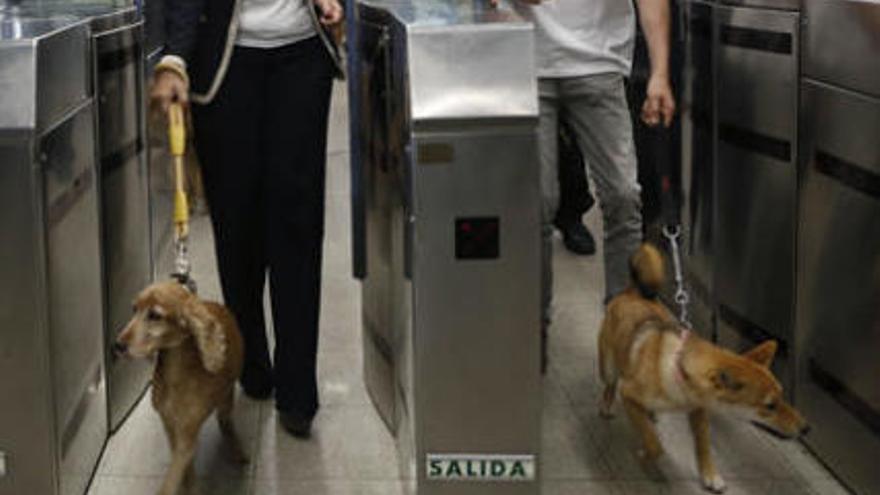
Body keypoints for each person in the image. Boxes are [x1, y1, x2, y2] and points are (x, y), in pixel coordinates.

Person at [150, 0, 344, 438]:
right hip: (226, 61)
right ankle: (250, 358)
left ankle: (298, 390)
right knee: (237, 223)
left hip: (301, 54)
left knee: (298, 223)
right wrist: (174, 56)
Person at [491, 0, 676, 369]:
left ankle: (625, 330)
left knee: (624, 196)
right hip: (526, 60)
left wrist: (659, 72)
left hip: (599, 63)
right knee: (537, 204)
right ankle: (534, 328)